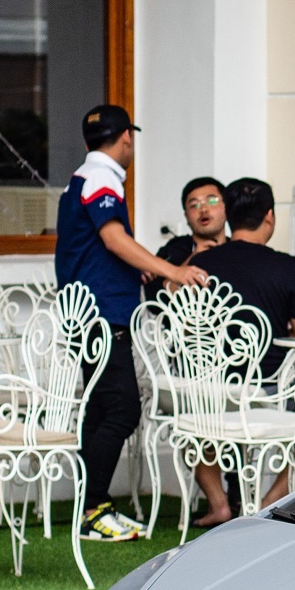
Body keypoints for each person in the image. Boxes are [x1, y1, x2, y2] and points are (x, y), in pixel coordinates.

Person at [54, 103, 208, 542]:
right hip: (102, 316)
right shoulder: (101, 178)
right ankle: (94, 510)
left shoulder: (81, 178)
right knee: (123, 409)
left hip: (89, 313)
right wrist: (171, 270)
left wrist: (134, 268)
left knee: (101, 410)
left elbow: (100, 247)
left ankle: (92, 507)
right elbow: (112, 238)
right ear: (126, 137)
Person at [186, 177, 295, 526]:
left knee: (193, 423)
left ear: (228, 216)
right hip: (273, 388)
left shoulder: (201, 264)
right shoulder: (286, 267)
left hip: (213, 390)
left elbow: (184, 324)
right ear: (270, 216)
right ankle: (264, 506)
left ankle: (219, 504)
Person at [145, 176, 225, 300]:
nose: (203, 209)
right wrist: (194, 258)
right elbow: (155, 299)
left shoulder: (237, 248)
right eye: (194, 205)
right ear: (186, 216)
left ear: (227, 207)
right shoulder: (174, 251)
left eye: (212, 201)